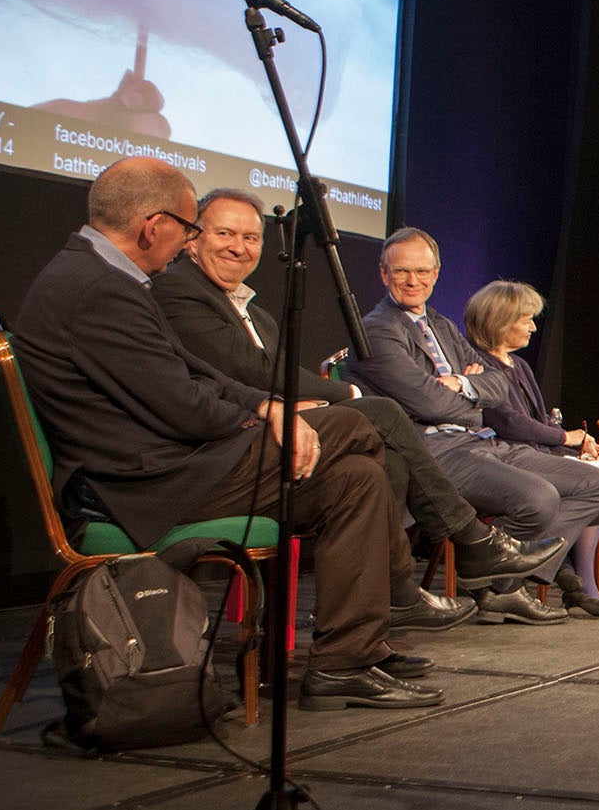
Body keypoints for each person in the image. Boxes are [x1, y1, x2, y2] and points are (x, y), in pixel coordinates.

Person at [9, 157, 442, 710]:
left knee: (355, 478)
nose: (187, 242)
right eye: (192, 229)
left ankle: (346, 658)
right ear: (152, 225)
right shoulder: (98, 288)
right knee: (357, 424)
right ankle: (401, 593)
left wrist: (268, 407)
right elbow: (185, 408)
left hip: (167, 465)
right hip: (144, 485)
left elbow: (192, 374)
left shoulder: (103, 275)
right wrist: (267, 416)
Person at [153, 189, 562, 614]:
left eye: (251, 238)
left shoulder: (256, 313)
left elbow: (496, 383)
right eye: (225, 233)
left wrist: (458, 386)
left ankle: (390, 604)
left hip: (283, 432)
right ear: (193, 239)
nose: (239, 247)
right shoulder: (178, 293)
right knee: (382, 415)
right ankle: (468, 544)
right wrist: (345, 394)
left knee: (385, 466)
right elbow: (253, 375)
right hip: (220, 452)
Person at [350, 228, 599, 626]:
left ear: (436, 274)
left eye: (422, 271)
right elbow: (428, 402)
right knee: (538, 498)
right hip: (433, 450)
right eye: (401, 272)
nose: (413, 280)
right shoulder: (376, 329)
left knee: (595, 484)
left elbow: (496, 382)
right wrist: (470, 398)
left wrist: (463, 383)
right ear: (384, 275)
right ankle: (499, 586)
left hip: (479, 441)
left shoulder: (440, 324)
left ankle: (501, 588)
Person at [463, 279, 599, 617]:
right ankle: (554, 579)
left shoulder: (521, 365)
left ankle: (561, 576)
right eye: (525, 319)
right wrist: (563, 439)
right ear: (499, 321)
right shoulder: (479, 365)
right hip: (504, 455)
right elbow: (509, 424)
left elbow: (540, 419)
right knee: (590, 485)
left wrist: (580, 446)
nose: (532, 326)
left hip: (534, 451)